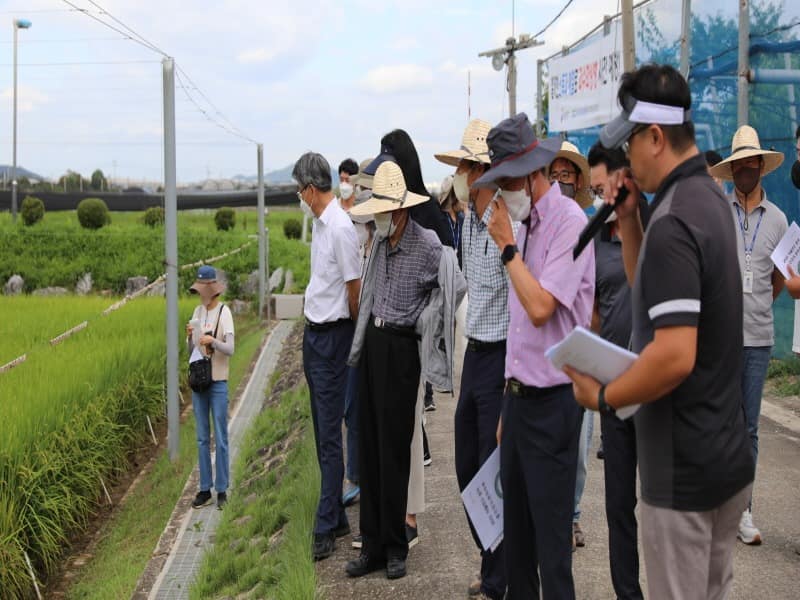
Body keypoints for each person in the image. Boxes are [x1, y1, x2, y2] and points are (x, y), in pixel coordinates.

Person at [564, 63, 754, 600]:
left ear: (655, 136)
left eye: (630, 146)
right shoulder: (707, 200)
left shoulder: (674, 220)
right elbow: (656, 298)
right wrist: (628, 224)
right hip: (722, 455)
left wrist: (603, 395)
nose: (625, 162)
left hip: (682, 471)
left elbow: (673, 354)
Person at [473, 112, 594, 600]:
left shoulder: (569, 222)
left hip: (556, 403)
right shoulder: (523, 227)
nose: (500, 194)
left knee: (551, 549)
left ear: (529, 173)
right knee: (517, 545)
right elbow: (518, 328)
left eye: (505, 181)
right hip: (520, 404)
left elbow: (542, 307)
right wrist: (507, 401)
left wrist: (506, 248)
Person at [346, 161, 464, 580]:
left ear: (400, 210)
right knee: (370, 445)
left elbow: (456, 284)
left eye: (384, 210)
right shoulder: (378, 242)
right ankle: (372, 545)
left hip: (402, 349)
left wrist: (427, 318)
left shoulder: (428, 243)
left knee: (395, 450)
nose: (378, 217)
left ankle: (397, 545)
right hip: (375, 346)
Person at [436, 118, 509, 600]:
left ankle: (496, 576)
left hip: (503, 358)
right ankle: (491, 560)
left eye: (465, 166)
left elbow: (521, 305)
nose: (460, 175)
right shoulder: (464, 224)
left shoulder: (506, 223)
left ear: (481, 172)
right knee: (467, 469)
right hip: (475, 356)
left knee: (492, 469)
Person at [709, 125, 787, 545]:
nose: (744, 170)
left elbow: (778, 278)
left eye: (750, 163)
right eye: (737, 164)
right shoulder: (719, 212)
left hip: (758, 339)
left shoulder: (777, 220)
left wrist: (756, 303)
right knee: (720, 424)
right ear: (732, 168)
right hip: (720, 339)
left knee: (750, 429)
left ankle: (743, 510)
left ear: (761, 165)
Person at [293, 152, 362, 561]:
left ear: (310, 189)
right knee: (322, 433)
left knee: (331, 437)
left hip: (334, 338)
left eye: (300, 190)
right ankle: (336, 518)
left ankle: (324, 525)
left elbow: (353, 288)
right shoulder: (320, 224)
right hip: (313, 336)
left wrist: (349, 337)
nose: (299, 197)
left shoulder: (339, 227)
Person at [586, 141, 645, 599]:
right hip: (614, 392)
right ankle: (628, 593)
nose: (599, 198)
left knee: (665, 507)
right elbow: (595, 317)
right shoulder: (595, 241)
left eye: (602, 187)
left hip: (660, 389)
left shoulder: (656, 224)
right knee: (618, 506)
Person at [548, 141, 593, 551]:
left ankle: (573, 514)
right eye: (554, 175)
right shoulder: (538, 228)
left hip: (580, 349)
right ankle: (556, 515)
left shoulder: (587, 223)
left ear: (579, 180)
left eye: (567, 175)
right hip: (548, 352)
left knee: (579, 447)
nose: (560, 181)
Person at [341, 162, 376, 511]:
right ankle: (355, 475)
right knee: (352, 410)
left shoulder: (379, 249)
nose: (360, 229)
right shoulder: (357, 248)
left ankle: (361, 475)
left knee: (365, 410)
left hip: (375, 339)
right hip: (356, 336)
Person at [186, 265, 235, 511]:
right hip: (199, 381)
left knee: (221, 437)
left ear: (211, 290)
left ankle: (222, 488)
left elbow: (231, 349)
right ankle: (204, 488)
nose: (200, 294)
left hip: (217, 381)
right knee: (202, 438)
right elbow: (191, 352)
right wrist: (190, 338)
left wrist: (212, 340)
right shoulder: (196, 311)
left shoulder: (224, 312)